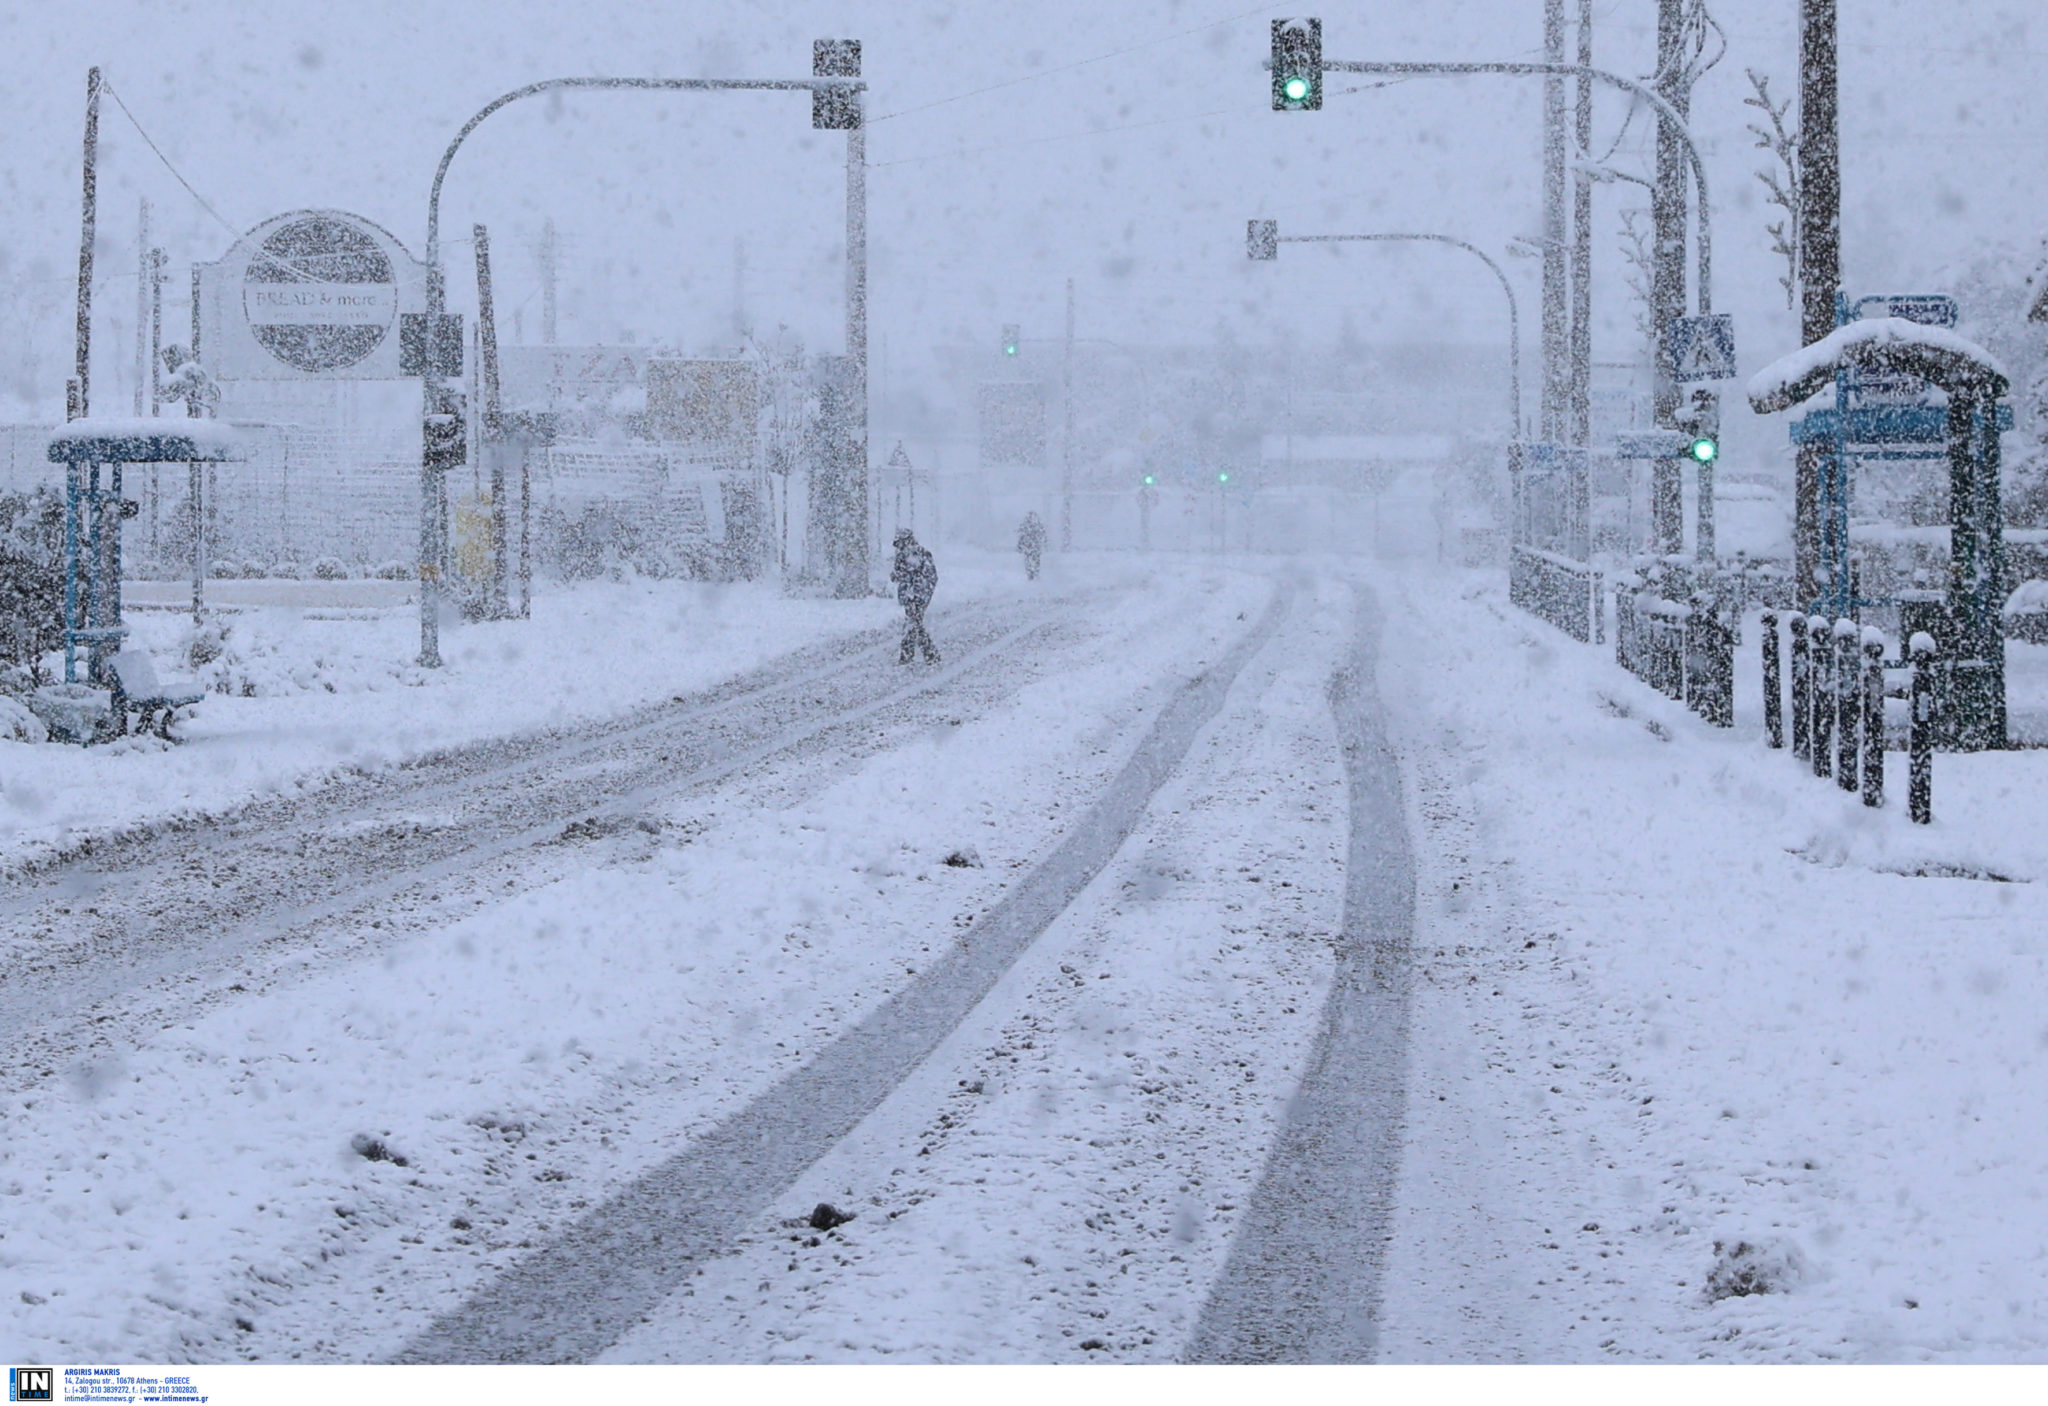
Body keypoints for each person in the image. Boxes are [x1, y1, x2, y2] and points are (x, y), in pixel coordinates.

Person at [890, 528, 940, 664]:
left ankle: (913, 654)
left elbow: (921, 575)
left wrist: (916, 590)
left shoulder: (915, 554)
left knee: (913, 624)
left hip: (915, 595)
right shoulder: (911, 554)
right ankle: (927, 654)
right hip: (913, 595)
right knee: (915, 624)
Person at [1016, 511, 1046, 580]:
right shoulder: (1037, 525)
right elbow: (1042, 534)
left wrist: (1020, 545)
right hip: (1033, 547)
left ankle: (1032, 573)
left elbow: (1022, 536)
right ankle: (1033, 572)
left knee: (1030, 560)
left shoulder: (1026, 526)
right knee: (1034, 560)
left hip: (1030, 547)